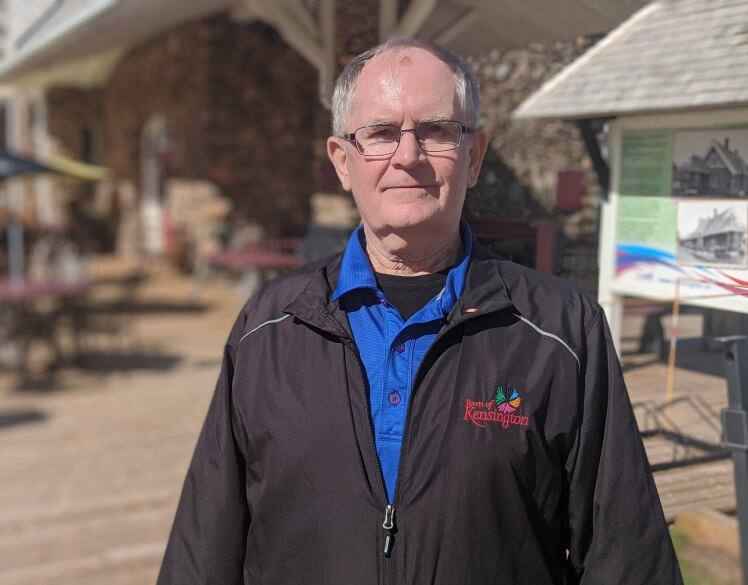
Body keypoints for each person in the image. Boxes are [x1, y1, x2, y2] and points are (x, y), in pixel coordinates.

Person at [158, 38, 682, 584]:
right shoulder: (268, 328)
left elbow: (628, 556)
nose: (407, 156)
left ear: (473, 156)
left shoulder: (561, 331)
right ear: (343, 161)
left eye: (435, 131)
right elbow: (205, 547)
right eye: (381, 133)